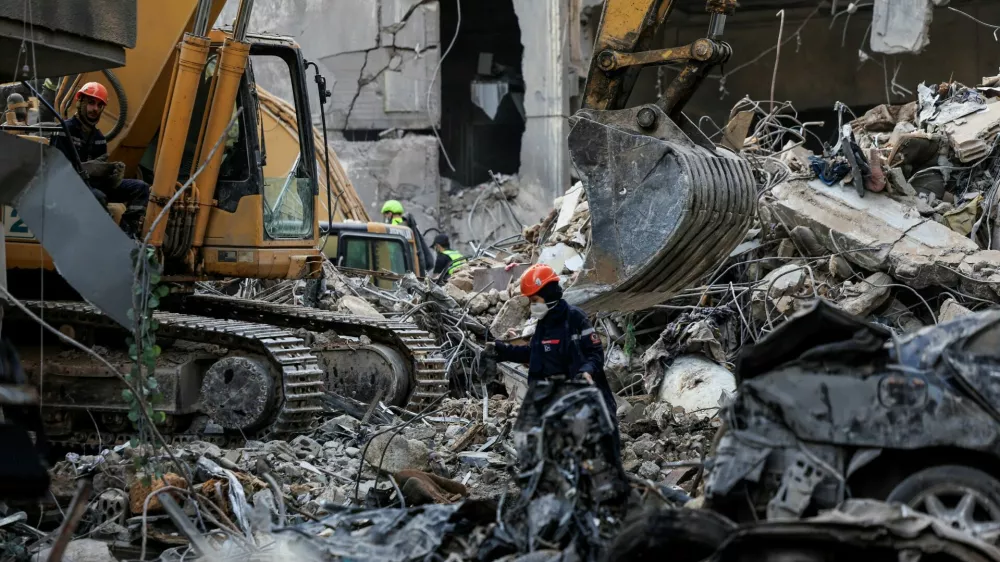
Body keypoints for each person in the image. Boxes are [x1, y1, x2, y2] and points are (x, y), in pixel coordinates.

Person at [484, 263, 621, 451]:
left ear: (548, 295)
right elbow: (534, 354)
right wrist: (502, 350)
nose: (532, 305)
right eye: (530, 301)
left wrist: (587, 371)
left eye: (535, 300)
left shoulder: (575, 318)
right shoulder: (543, 324)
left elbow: (595, 353)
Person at [49, 82, 150, 238]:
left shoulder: (99, 139)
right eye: (90, 103)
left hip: (91, 188)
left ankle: (128, 236)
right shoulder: (64, 131)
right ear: (79, 101)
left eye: (99, 105)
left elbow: (100, 182)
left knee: (141, 188)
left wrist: (111, 178)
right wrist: (85, 168)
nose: (95, 109)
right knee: (98, 197)